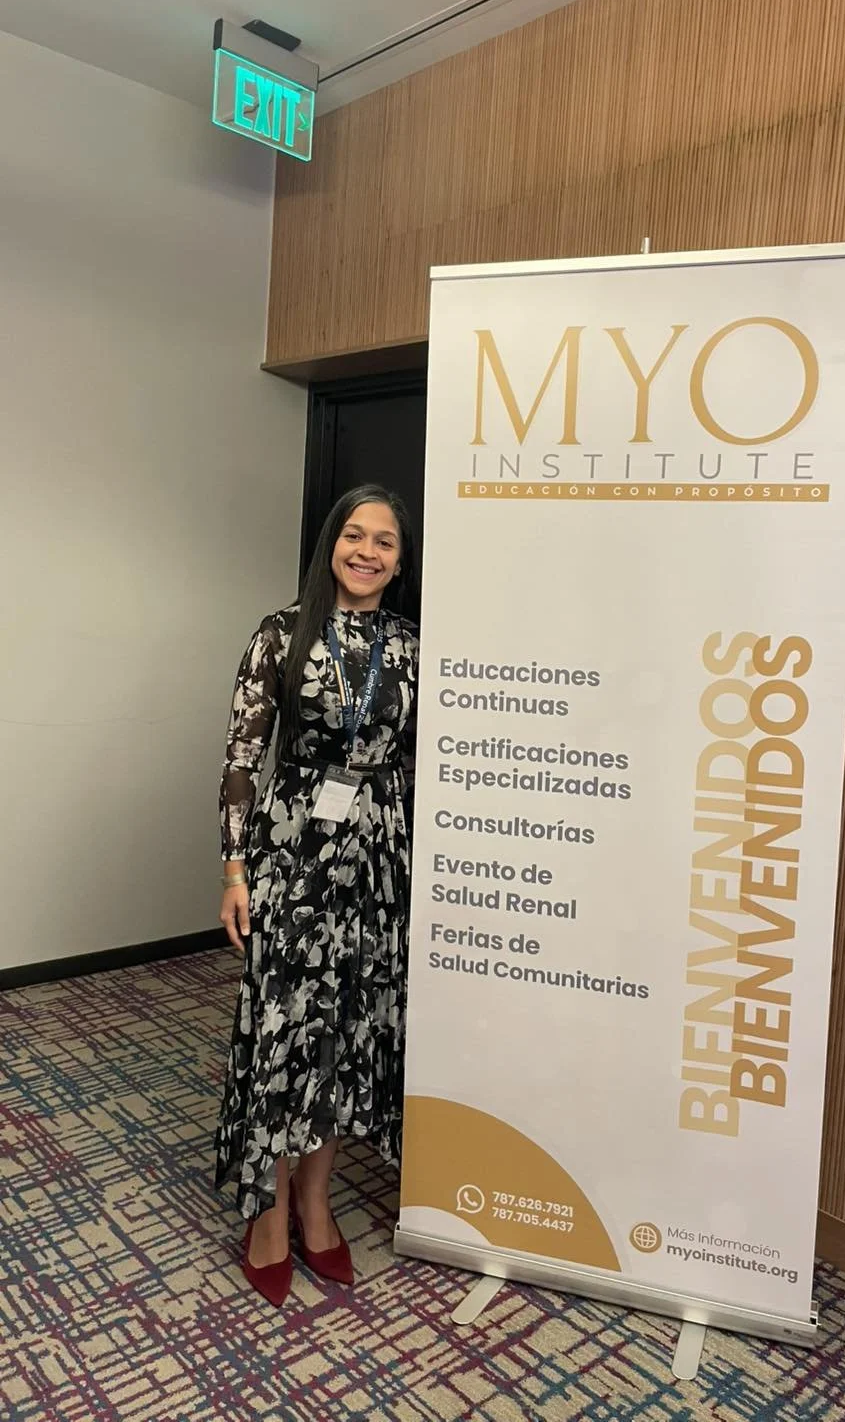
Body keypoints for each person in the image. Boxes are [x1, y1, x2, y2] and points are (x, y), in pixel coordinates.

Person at [213, 484, 419, 1307]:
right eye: (355, 536)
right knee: (283, 1029)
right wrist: (234, 870)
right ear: (332, 542)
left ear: (401, 562)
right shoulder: (279, 634)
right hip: (290, 857)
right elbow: (240, 758)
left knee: (345, 1031)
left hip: (377, 862)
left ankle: (315, 1201)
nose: (368, 552)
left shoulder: (413, 645)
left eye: (386, 543)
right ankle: (267, 1211)